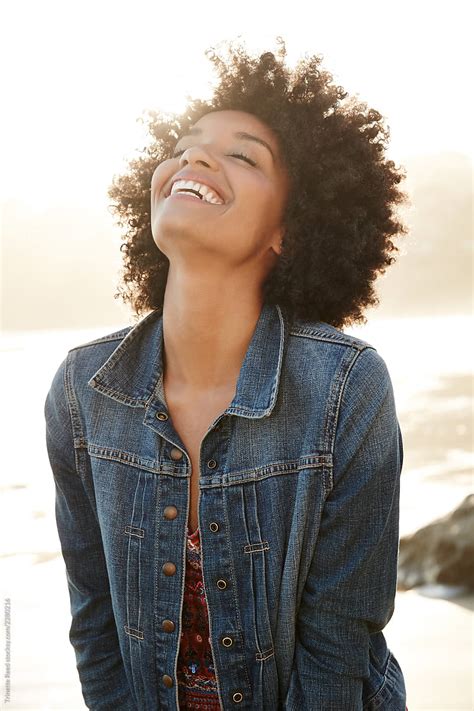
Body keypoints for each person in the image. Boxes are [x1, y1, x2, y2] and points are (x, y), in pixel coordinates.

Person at [44, 39, 409, 710]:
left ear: (289, 232)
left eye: (242, 154)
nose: (194, 158)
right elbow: (95, 626)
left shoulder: (347, 389)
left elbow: (337, 656)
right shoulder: (82, 390)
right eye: (183, 145)